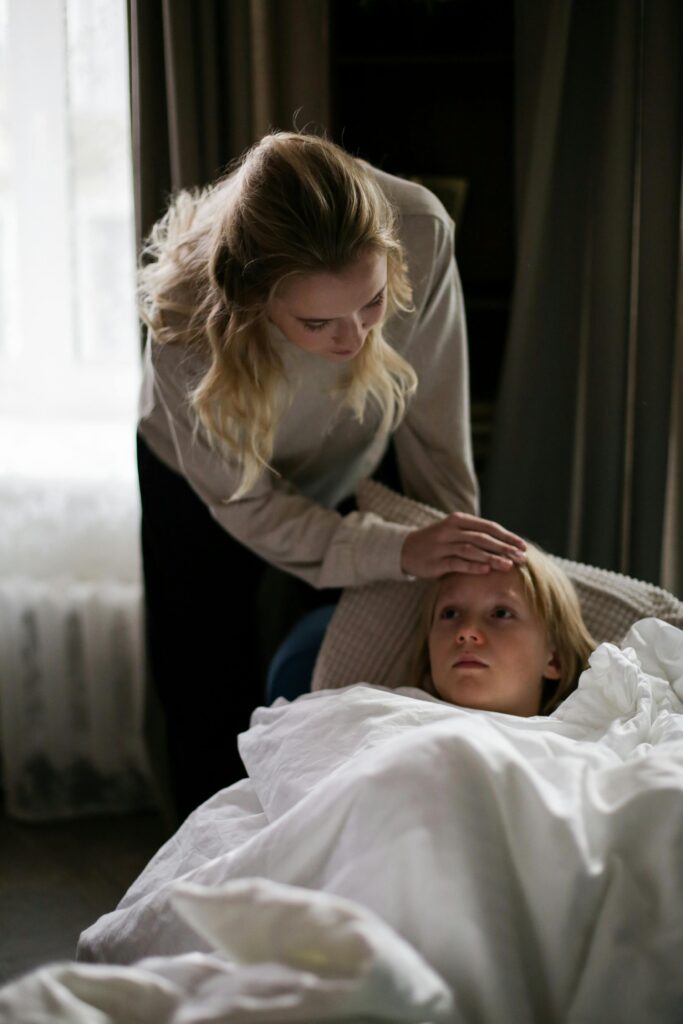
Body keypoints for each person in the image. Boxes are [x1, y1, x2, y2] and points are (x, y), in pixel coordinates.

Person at [136, 130, 526, 819]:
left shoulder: (420, 229)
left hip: (345, 452)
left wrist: (456, 554)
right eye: (319, 321)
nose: (355, 340)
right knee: (206, 682)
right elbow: (250, 504)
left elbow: (435, 426)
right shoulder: (183, 328)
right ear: (252, 300)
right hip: (206, 488)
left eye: (372, 304)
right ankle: (212, 868)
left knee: (352, 655)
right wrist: (393, 548)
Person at [413, 543, 595, 715]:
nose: (466, 631)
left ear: (555, 660)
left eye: (501, 613)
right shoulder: (391, 706)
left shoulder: (580, 744)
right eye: (450, 613)